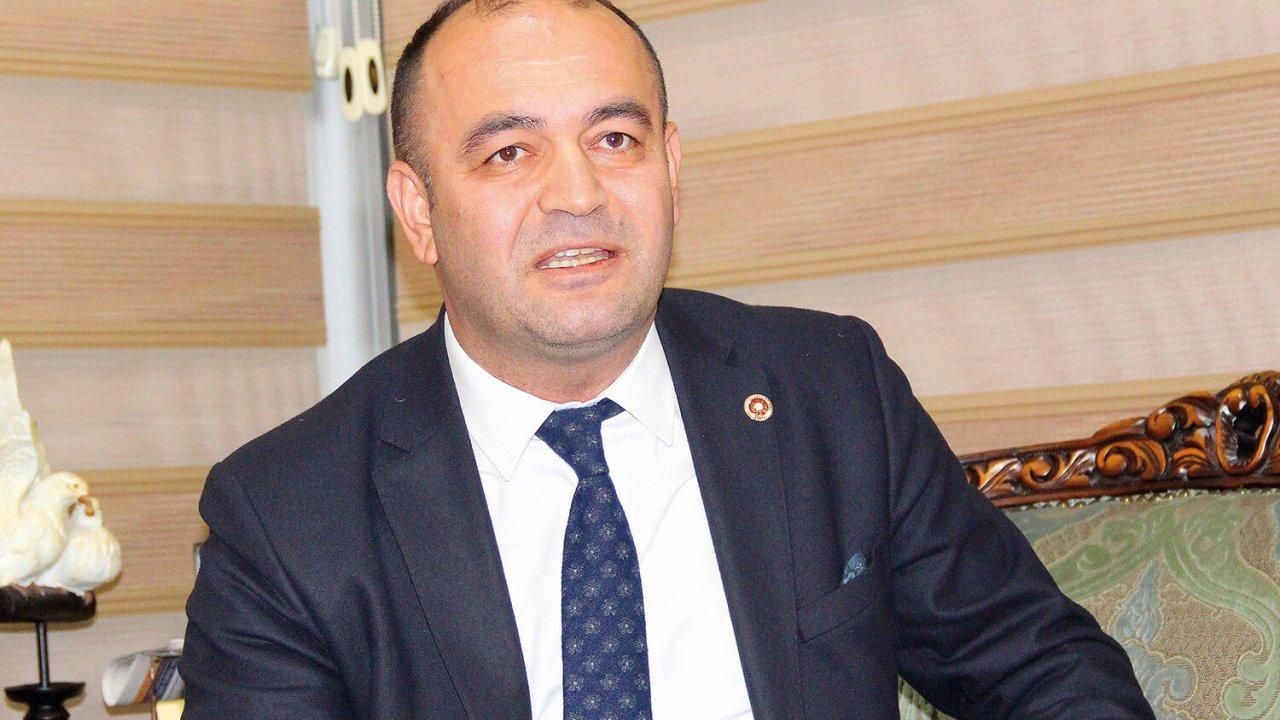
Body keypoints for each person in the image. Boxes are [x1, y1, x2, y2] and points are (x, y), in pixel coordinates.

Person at [181, 1, 1156, 718]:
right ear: (418, 210)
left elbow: (1045, 675)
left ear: (671, 172)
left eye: (615, 138)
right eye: (509, 153)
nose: (578, 194)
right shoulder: (288, 516)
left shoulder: (830, 394)